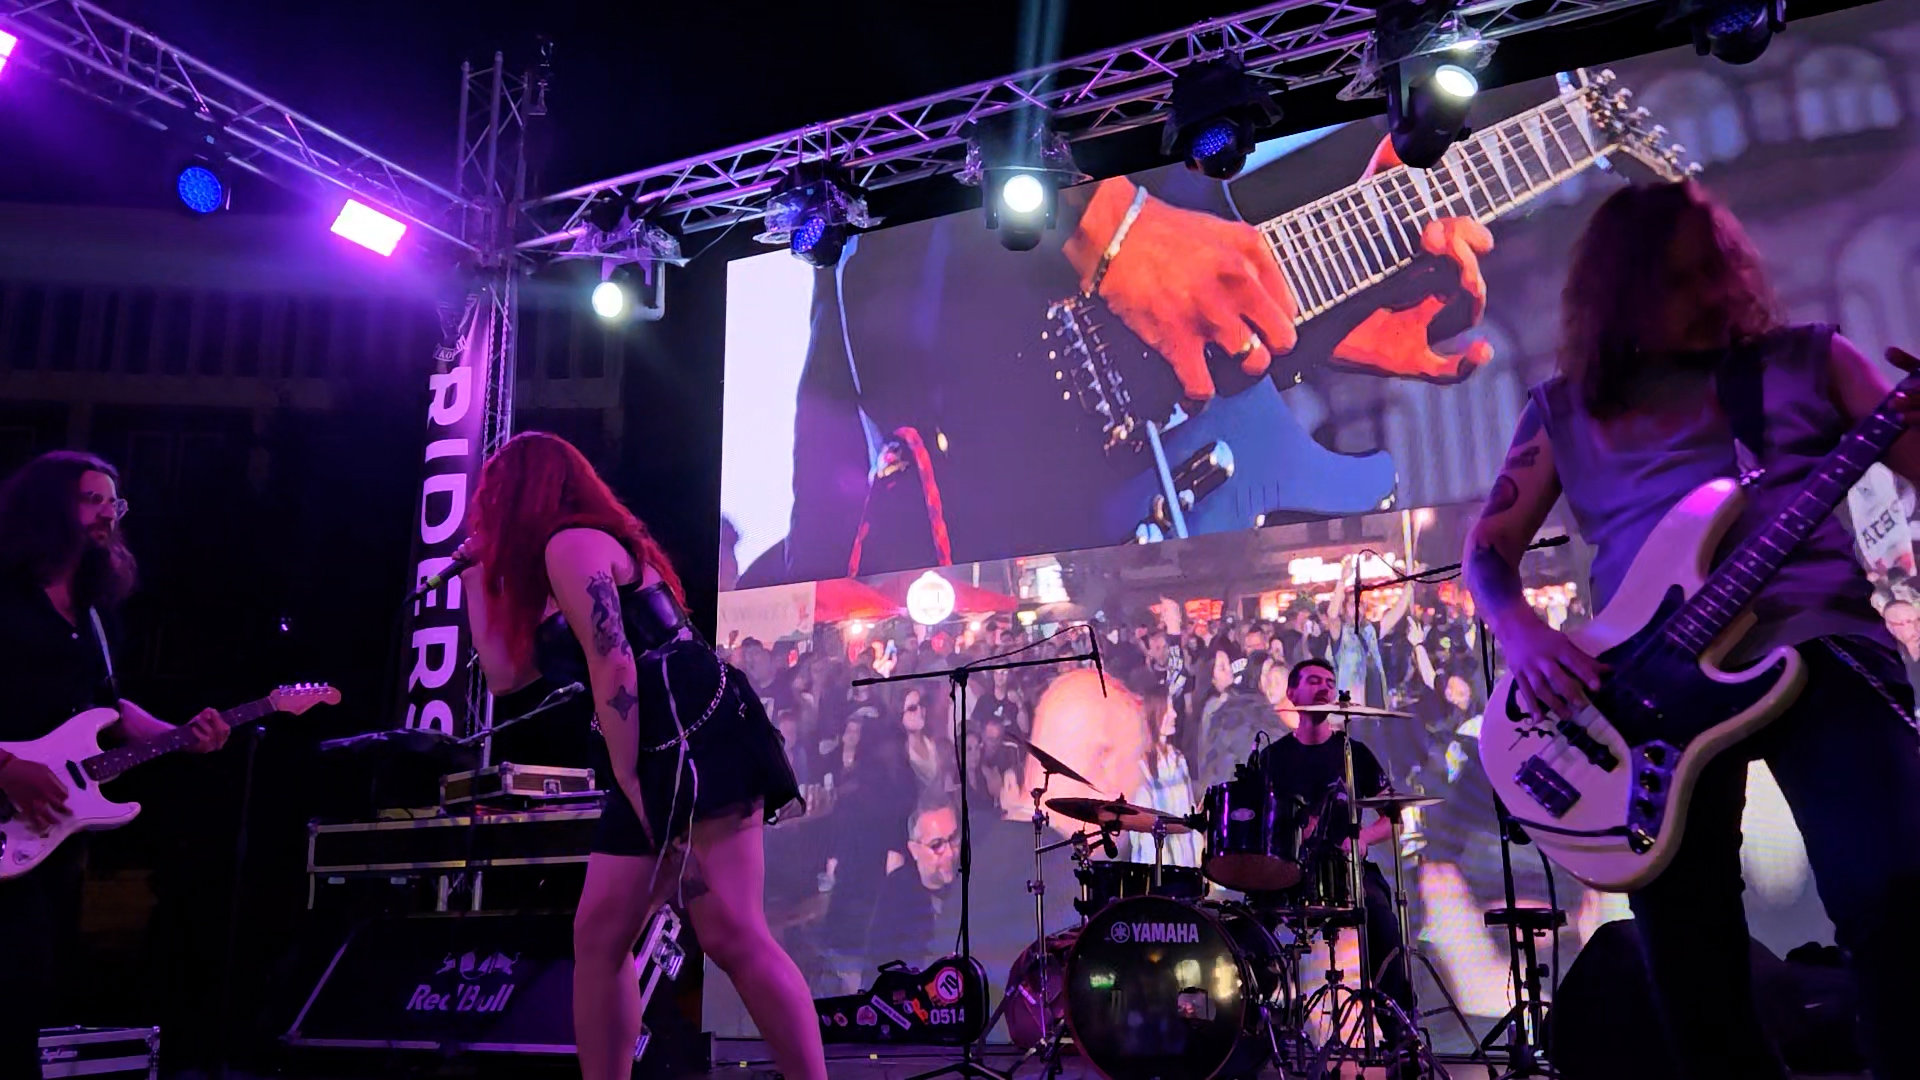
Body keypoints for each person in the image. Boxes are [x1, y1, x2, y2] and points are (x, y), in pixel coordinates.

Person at [1461, 178, 1920, 1080]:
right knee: (1686, 947)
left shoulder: (1812, 358)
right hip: (1645, 687)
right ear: (1622, 291)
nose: (1712, 293)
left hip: (1818, 639)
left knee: (1896, 892)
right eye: (1680, 278)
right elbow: (1488, 550)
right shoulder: (1562, 409)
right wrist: (1520, 632)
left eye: (1718, 269)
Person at [458, 432, 825, 1080]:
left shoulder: (573, 544)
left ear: (518, 495)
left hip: (692, 737)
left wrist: (629, 778)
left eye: (491, 501)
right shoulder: (552, 569)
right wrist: (473, 577)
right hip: (653, 749)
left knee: (730, 933)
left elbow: (615, 663)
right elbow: (504, 675)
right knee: (602, 938)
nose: (484, 515)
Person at [0, 451, 229, 1078]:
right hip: (8, 800)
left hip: (48, 838)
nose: (108, 514)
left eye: (113, 502)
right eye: (91, 500)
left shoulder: (97, 615)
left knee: (28, 992)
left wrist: (181, 736)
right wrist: (6, 766)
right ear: (49, 507)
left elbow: (108, 707)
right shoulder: (6, 597)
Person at [1254, 658, 1417, 1073]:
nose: (1324, 687)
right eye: (1313, 681)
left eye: (1329, 681)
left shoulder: (1353, 753)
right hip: (1288, 872)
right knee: (1252, 927)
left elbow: (1391, 817)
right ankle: (1257, 1030)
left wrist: (1361, 839)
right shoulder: (1272, 758)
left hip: (1349, 872)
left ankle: (1401, 1042)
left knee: (1383, 922)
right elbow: (1254, 822)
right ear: (1292, 694)